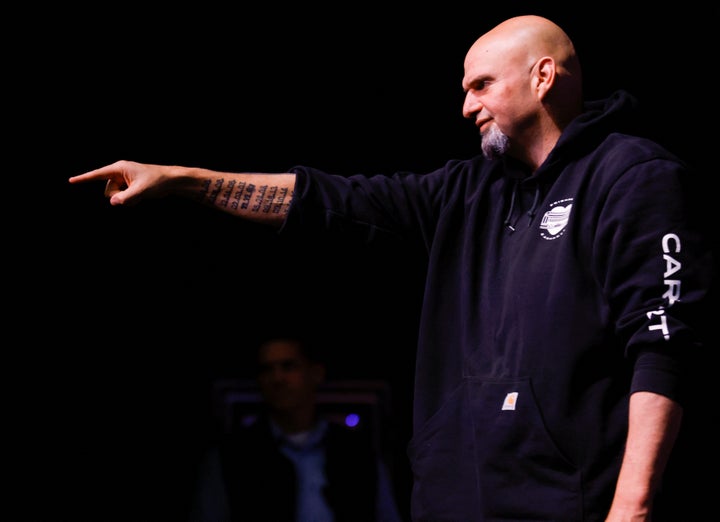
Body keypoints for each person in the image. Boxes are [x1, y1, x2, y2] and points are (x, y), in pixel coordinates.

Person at [69, 14, 716, 521]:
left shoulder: (632, 176)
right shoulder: (467, 191)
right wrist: (182, 180)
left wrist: (631, 509)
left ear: (543, 76)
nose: (466, 106)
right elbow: (329, 199)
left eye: (481, 84)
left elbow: (663, 345)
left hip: (568, 502)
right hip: (452, 503)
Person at [189, 335, 404, 522]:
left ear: (316, 373)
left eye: (288, 366)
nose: (277, 378)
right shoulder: (231, 456)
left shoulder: (356, 451)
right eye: (267, 369)